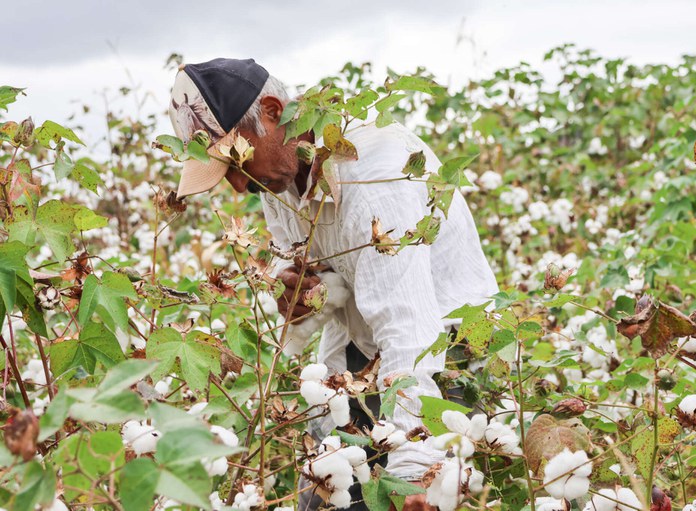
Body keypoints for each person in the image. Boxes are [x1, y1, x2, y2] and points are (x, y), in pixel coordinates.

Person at [168, 58, 498, 511]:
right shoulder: (277, 181)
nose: (237, 189)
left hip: (445, 350)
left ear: (271, 112)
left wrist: (415, 468)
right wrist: (302, 297)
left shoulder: (373, 178)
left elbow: (411, 329)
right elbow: (322, 282)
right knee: (322, 495)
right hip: (366, 343)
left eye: (234, 163)